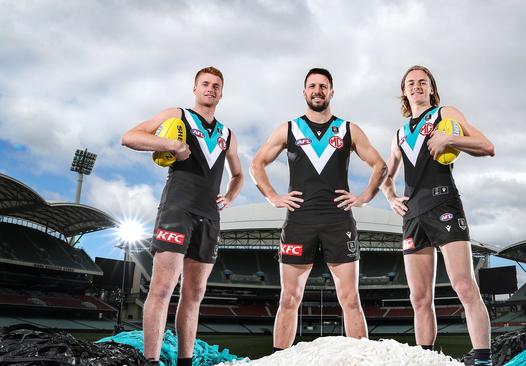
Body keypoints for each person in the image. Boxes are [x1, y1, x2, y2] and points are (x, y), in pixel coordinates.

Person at [249, 68, 386, 351]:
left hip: (339, 221)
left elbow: (380, 165)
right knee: (289, 298)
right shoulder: (289, 129)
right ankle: (280, 358)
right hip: (300, 221)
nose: (318, 90)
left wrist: (364, 197)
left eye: (323, 86)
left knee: (350, 299)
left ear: (331, 92)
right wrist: (273, 196)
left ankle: (362, 359)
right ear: (304, 92)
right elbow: (256, 163)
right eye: (312, 86)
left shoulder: (348, 129)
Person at [121, 66, 243, 366]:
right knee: (162, 288)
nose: (210, 89)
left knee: (194, 294)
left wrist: (228, 196)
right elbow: (130, 136)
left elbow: (238, 174)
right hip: (178, 209)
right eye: (205, 84)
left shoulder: (227, 133)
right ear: (195, 88)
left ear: (222, 92)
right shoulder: (178, 115)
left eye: (216, 85)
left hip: (210, 216)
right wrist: (170, 144)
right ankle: (150, 361)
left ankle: (185, 362)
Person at [381, 65, 495, 366]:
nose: (416, 86)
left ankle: (483, 359)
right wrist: (391, 197)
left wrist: (450, 141)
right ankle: (426, 359)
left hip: (444, 205)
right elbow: (386, 176)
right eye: (410, 83)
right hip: (412, 215)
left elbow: (486, 146)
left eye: (422, 82)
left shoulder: (446, 114)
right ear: (404, 92)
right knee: (419, 298)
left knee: (463, 285)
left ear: (432, 88)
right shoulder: (398, 134)